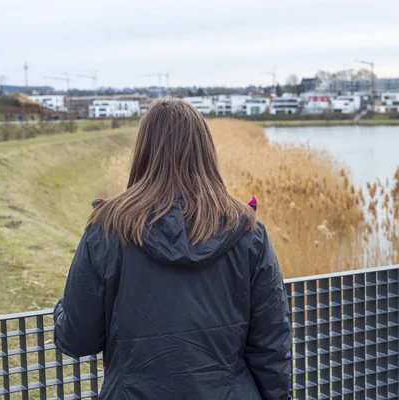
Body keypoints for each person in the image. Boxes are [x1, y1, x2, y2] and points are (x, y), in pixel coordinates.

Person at [53, 98, 292, 399]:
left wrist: (62, 308)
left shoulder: (108, 229)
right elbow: (272, 345)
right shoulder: (247, 231)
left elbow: (76, 338)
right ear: (206, 151)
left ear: (143, 152)